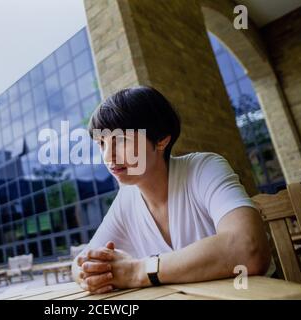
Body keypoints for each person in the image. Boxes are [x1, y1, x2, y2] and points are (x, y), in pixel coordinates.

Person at [72, 85, 271, 294]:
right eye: (102, 143)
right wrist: (90, 275)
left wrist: (138, 271)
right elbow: (80, 263)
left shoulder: (204, 168)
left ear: (161, 140)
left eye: (121, 140)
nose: (108, 156)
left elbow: (248, 247)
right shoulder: (127, 199)